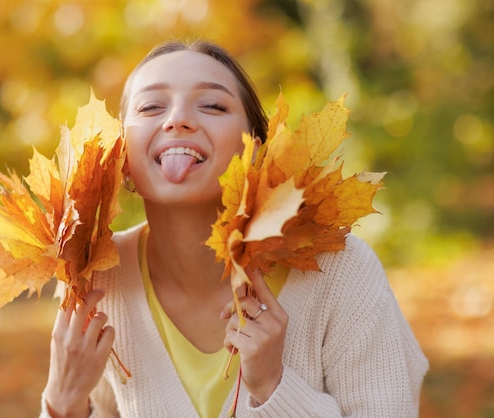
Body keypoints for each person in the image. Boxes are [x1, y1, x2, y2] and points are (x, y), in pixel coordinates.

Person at [40, 40, 428, 418]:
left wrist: (274, 389)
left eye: (212, 105)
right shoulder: (98, 283)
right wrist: (63, 403)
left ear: (255, 148)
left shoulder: (343, 273)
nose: (177, 119)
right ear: (121, 153)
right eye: (151, 106)